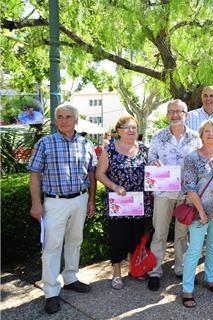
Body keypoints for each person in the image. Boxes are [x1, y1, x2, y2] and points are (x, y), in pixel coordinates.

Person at [28, 103, 97, 314]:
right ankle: (51, 292)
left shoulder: (86, 144)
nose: (63, 120)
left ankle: (70, 277)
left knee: (75, 241)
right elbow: (34, 175)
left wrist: (91, 200)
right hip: (54, 202)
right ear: (56, 120)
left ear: (76, 120)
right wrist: (36, 203)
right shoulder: (45, 143)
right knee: (51, 246)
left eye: (68, 117)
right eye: (59, 117)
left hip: (80, 199)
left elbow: (92, 175)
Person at [146, 99, 202, 291]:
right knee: (159, 232)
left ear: (186, 114)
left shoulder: (195, 137)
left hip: (186, 194)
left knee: (181, 234)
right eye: (171, 111)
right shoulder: (157, 137)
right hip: (163, 192)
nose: (174, 115)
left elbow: (200, 163)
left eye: (178, 111)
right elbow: (151, 159)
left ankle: (181, 269)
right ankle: (154, 271)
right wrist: (154, 164)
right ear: (167, 114)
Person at [95, 116, 152, 290]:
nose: (131, 130)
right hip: (118, 202)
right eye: (127, 127)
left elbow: (150, 173)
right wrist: (114, 186)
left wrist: (156, 165)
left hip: (139, 202)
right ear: (118, 130)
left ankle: (134, 269)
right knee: (118, 237)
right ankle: (117, 273)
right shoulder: (109, 150)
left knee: (136, 237)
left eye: (134, 127)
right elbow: (99, 174)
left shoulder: (143, 149)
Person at [181, 120, 213, 308]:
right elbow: (189, 188)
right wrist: (201, 211)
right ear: (201, 135)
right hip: (198, 212)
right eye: (207, 131)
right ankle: (187, 289)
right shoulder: (192, 158)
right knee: (194, 250)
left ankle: (210, 278)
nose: (210, 134)